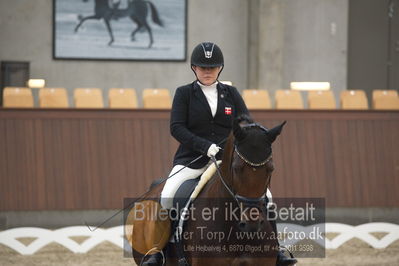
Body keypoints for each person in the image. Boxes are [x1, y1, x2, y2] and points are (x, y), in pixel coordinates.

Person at [142, 42, 297, 266]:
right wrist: (204, 146)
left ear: (220, 69)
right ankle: (159, 252)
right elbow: (177, 127)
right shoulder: (184, 93)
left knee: (267, 198)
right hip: (192, 160)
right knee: (168, 196)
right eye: (203, 67)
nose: (207, 71)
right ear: (194, 68)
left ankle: (277, 249)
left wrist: (248, 139)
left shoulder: (231, 94)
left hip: (228, 161)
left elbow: (246, 121)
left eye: (212, 67)